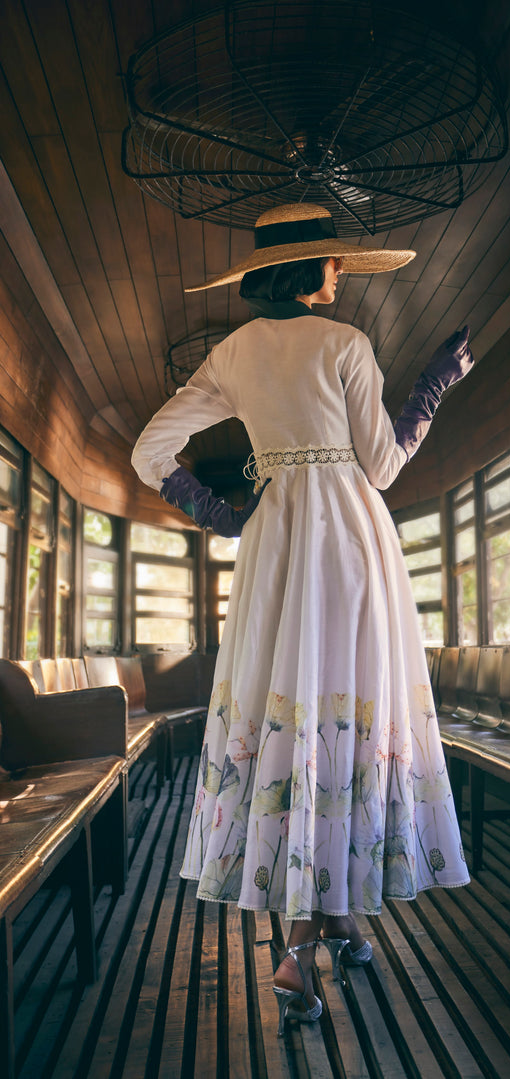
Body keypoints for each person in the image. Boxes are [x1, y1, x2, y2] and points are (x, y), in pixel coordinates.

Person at [131, 203, 473, 1035]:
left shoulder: (233, 353)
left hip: (276, 544)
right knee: (349, 713)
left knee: (291, 711)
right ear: (310, 268)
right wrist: (436, 381)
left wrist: (226, 516)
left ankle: (331, 918)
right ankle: (304, 938)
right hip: (352, 544)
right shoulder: (345, 345)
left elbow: (147, 454)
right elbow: (384, 466)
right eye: (335, 263)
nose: (340, 275)